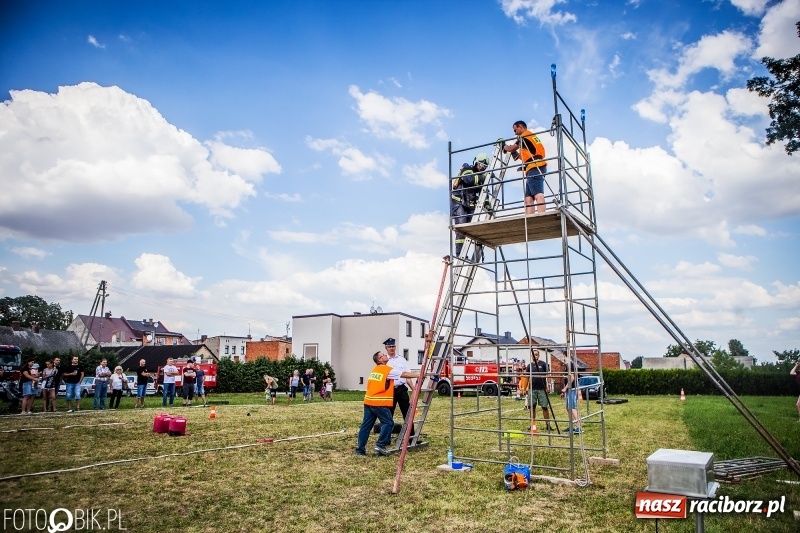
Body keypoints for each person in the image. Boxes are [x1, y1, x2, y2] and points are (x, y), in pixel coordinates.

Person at [356, 351, 419, 456]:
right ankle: (381, 445)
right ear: (380, 359)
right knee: (389, 423)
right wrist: (419, 375)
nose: (386, 355)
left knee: (366, 426)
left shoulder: (375, 370)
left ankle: (360, 450)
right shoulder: (386, 370)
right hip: (378, 402)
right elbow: (404, 374)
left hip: (368, 401)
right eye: (383, 355)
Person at [503, 120, 547, 214]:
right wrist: (513, 152)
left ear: (521, 127)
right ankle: (530, 218)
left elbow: (511, 148)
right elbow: (525, 156)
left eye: (515, 130)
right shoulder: (529, 138)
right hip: (532, 166)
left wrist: (505, 146)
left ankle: (542, 215)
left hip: (535, 167)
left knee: (538, 194)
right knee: (528, 198)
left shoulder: (524, 136)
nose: (515, 133)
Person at [451, 153, 490, 257]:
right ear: (476, 163)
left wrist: (487, 205)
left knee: (470, 229)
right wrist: (483, 178)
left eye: (485, 167)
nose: (482, 168)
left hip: (470, 204)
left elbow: (484, 192)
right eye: (481, 165)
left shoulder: (481, 176)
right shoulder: (467, 169)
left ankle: (467, 252)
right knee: (462, 228)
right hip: (459, 202)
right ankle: (460, 254)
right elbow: (469, 180)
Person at [384, 338, 417, 437]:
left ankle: (411, 437)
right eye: (389, 347)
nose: (391, 348)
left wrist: (414, 389)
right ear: (386, 348)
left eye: (393, 346)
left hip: (402, 389)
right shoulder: (384, 360)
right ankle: (386, 439)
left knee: (407, 413)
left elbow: (408, 376)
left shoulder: (402, 359)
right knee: (388, 415)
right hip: (390, 389)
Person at [526, 350, 552, 430]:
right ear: (531, 356)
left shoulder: (543, 364)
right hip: (532, 389)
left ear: (539, 355)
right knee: (532, 407)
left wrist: (549, 385)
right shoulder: (529, 366)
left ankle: (548, 425)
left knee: (544, 407)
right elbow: (527, 377)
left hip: (542, 389)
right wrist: (525, 388)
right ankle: (533, 425)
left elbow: (548, 375)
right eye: (533, 355)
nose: (535, 356)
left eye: (536, 354)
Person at [560, 362, 582, 434]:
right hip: (568, 390)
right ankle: (571, 426)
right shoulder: (566, 366)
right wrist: (563, 391)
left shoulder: (570, 364)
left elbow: (572, 378)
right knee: (568, 408)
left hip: (572, 389)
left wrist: (565, 389)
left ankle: (579, 427)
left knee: (572, 407)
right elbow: (566, 379)